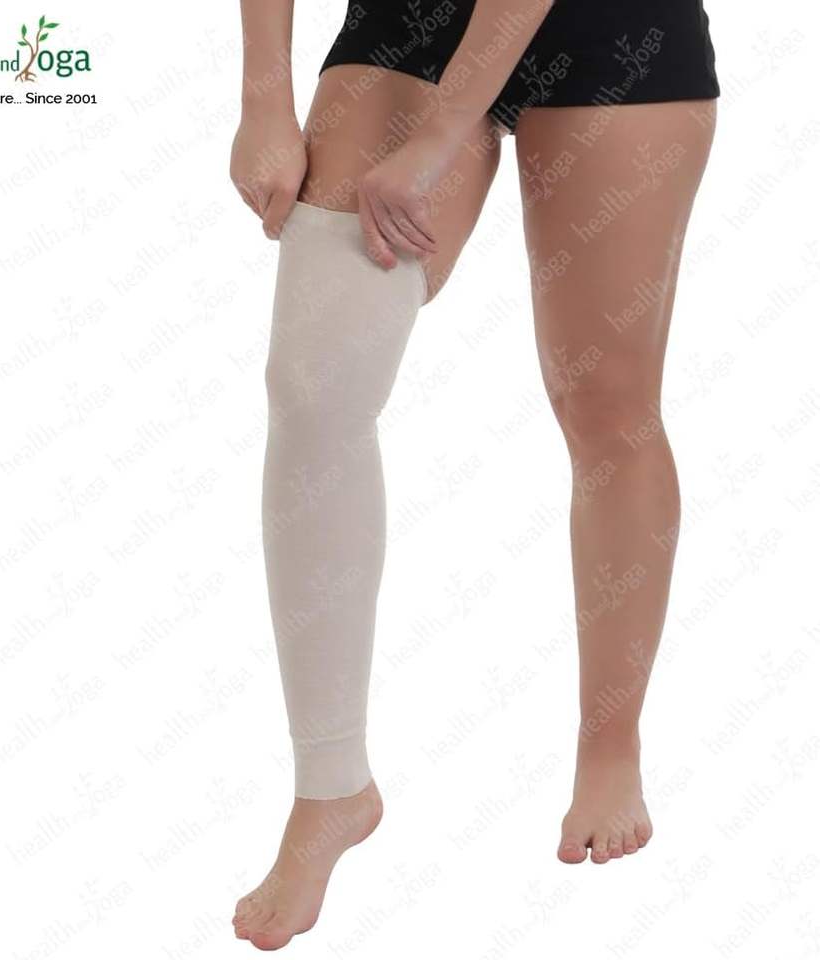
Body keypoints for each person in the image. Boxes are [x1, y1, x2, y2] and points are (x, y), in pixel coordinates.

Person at [230, 0, 720, 949]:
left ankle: (608, 746)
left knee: (605, 405)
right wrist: (262, 100)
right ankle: (331, 788)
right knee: (315, 388)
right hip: (415, 18)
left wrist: (443, 137)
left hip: (614, 29)